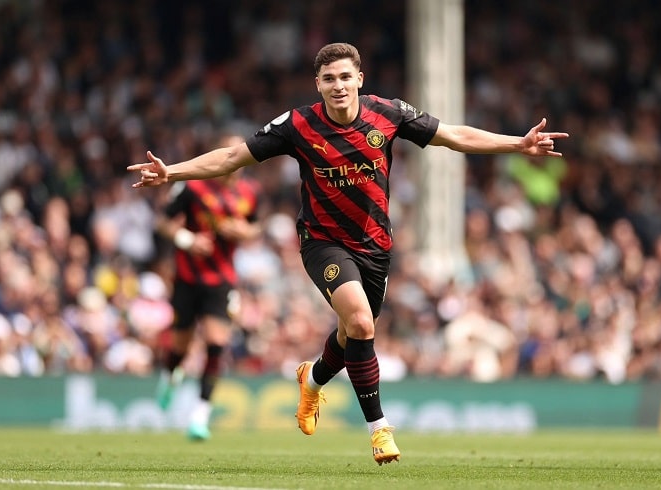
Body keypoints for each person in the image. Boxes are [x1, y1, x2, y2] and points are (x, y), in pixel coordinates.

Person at [128, 42, 569, 463]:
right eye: (327, 79)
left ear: (359, 77)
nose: (337, 85)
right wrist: (172, 174)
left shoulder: (388, 113)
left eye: (344, 76)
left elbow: (452, 135)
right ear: (317, 84)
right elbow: (231, 157)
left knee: (351, 334)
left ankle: (313, 378)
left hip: (375, 247)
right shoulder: (298, 125)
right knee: (359, 321)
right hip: (322, 242)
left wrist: (517, 143)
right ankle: (379, 428)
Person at [153, 133, 262, 441]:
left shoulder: (250, 192)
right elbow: (162, 222)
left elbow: (256, 226)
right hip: (188, 278)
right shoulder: (193, 186)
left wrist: (244, 231)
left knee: (216, 343)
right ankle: (170, 374)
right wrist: (188, 240)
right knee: (180, 347)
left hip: (222, 280)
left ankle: (199, 416)